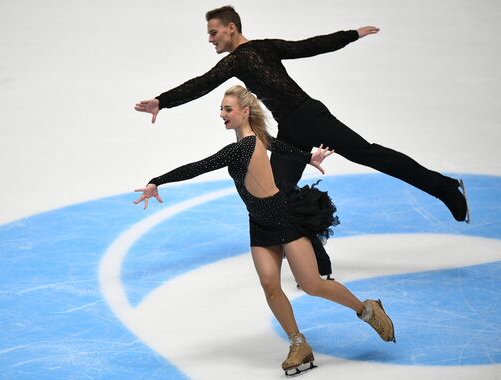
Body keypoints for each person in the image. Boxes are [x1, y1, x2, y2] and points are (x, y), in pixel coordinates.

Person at [135, 5, 470, 275]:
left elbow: (308, 46)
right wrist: (163, 101)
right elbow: (201, 84)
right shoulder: (236, 61)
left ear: (231, 28)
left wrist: (350, 35)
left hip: (311, 117)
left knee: (369, 154)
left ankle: (446, 188)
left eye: (213, 31)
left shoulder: (253, 52)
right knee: (278, 195)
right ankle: (317, 261)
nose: (210, 39)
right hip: (292, 129)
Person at [134, 85, 395, 376]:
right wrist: (306, 158)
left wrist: (157, 180)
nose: (222, 114)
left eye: (227, 109)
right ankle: (298, 343)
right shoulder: (255, 139)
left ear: (244, 112)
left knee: (311, 285)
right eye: (221, 109)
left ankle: (367, 309)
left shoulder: (241, 147)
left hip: (283, 218)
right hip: (258, 223)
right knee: (270, 286)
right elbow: (276, 145)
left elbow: (200, 166)